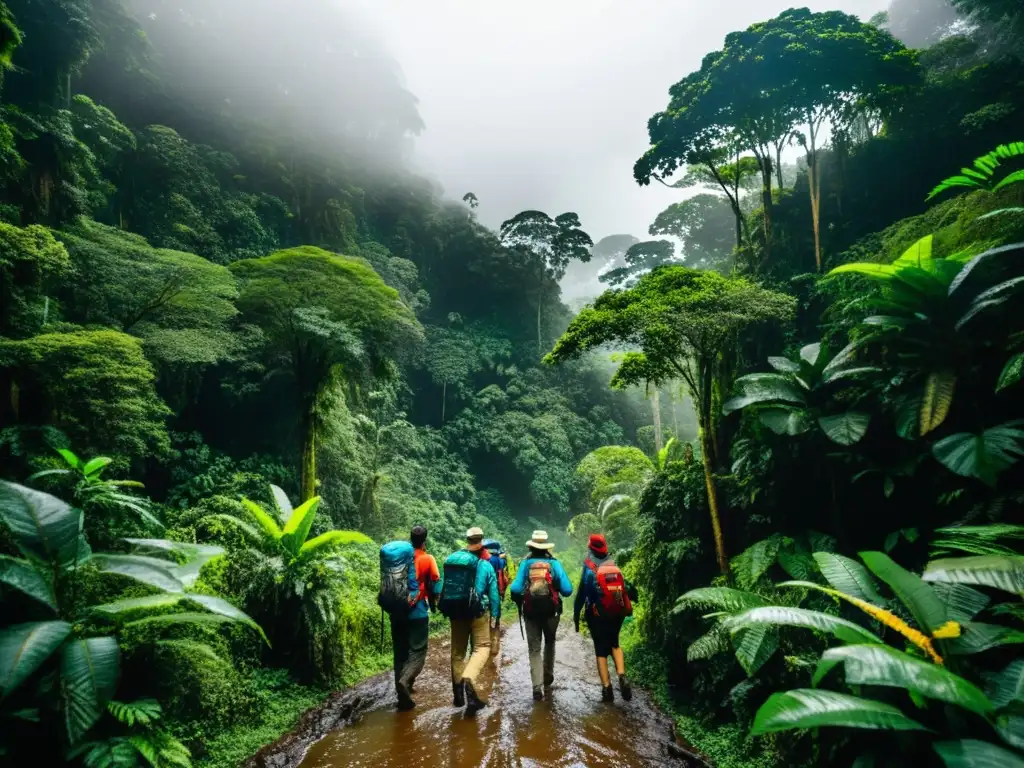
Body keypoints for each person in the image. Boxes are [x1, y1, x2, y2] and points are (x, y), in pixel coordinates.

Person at [438, 526, 500, 715]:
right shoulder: (485, 565)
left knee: (457, 653)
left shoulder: (454, 560)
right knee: (482, 647)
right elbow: (494, 596)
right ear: (481, 541)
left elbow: (443, 587)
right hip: (478, 612)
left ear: (467, 540)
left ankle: (458, 697)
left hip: (455, 612)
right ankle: (469, 678)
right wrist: (495, 618)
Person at [379, 526, 439, 711]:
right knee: (418, 650)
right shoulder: (427, 558)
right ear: (424, 540)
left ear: (410, 538)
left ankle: (402, 693)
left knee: (400, 652)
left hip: (396, 611)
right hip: (418, 612)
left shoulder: (398, 558)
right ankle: (405, 681)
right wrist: (436, 601)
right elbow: (436, 582)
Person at [510, 530, 573, 701]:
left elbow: (515, 589)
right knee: (550, 642)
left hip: (531, 611)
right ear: (546, 546)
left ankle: (536, 687)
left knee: (534, 649)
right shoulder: (554, 564)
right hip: (551, 611)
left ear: (531, 546)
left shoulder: (526, 564)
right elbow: (567, 590)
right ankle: (548, 677)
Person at [573, 533, 635, 703]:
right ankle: (622, 676)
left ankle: (607, 689)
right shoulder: (612, 562)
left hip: (597, 614)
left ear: (590, 547)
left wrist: (576, 613)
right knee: (614, 643)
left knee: (601, 649)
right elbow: (627, 587)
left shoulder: (589, 565)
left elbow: (582, 591)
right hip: (616, 612)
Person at [482, 539, 510, 661]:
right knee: (496, 617)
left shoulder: (482, 560)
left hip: (483, 592)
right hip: (497, 591)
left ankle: (483, 643)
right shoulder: (500, 561)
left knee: (483, 616)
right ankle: (494, 644)